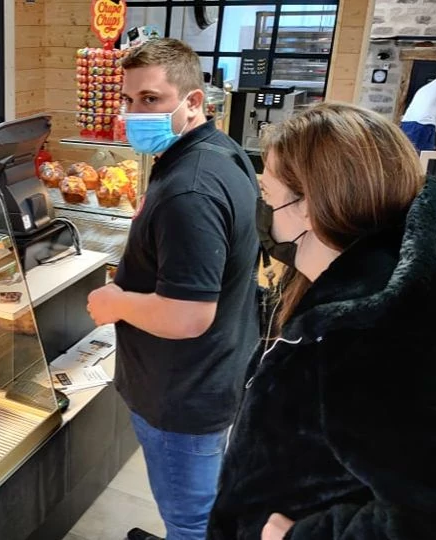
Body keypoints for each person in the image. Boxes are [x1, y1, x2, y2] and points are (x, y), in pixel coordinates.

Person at [207, 102, 436, 540]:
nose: (261, 208)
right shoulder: (361, 287)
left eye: (267, 196)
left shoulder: (368, 335)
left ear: (308, 206)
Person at [86, 38, 260, 540]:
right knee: (204, 504)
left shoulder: (191, 190)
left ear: (193, 102)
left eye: (152, 99)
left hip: (185, 391)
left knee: (190, 521)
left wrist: (114, 301)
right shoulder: (217, 151)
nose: (134, 112)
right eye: (129, 100)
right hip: (214, 370)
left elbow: (188, 315)